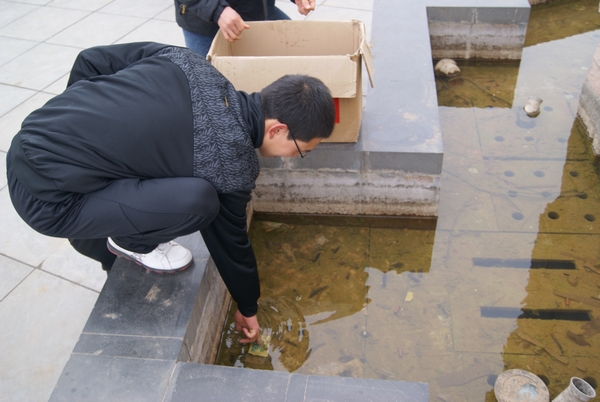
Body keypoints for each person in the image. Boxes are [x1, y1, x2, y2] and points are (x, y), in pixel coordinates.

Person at [6, 42, 335, 344]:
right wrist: (249, 307)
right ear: (278, 129)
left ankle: (106, 230)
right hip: (48, 201)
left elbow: (90, 60)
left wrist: (80, 127)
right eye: (301, 150)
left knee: (151, 167)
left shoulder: (187, 61)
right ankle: (131, 243)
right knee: (200, 202)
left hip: (29, 136)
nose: (295, 157)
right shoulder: (233, 163)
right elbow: (231, 244)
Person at [175, 0, 316, 57]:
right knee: (209, 87)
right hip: (204, 21)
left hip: (256, 9)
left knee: (298, 52)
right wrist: (216, 9)